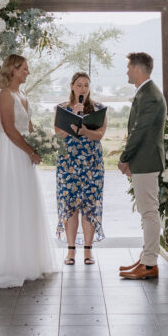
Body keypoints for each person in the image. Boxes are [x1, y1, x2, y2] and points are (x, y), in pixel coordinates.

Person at [0, 55, 60, 290]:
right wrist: (30, 150)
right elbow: (9, 130)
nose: (28, 72)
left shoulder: (23, 96)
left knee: (24, 203)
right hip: (10, 156)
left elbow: (27, 127)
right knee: (10, 202)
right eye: (25, 69)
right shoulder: (5, 95)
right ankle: (6, 260)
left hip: (23, 156)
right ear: (13, 70)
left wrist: (41, 142)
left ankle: (26, 258)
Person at [118, 52, 167, 280]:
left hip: (146, 160)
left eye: (128, 67)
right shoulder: (147, 93)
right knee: (147, 211)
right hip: (144, 160)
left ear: (138, 69)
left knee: (149, 212)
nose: (127, 71)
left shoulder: (150, 96)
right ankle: (146, 257)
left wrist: (125, 157)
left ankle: (149, 264)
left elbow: (140, 131)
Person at [54, 72, 107, 266]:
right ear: (72, 86)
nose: (83, 88)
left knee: (89, 206)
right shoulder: (62, 108)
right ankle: (70, 251)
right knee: (70, 206)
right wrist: (74, 117)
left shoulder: (98, 108)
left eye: (86, 85)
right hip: (68, 163)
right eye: (79, 85)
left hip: (91, 164)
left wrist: (84, 130)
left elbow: (100, 134)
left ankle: (88, 251)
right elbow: (58, 133)